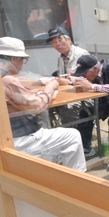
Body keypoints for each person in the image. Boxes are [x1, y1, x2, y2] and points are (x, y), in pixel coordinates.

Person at [0, 37, 86, 172]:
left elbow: (17, 99)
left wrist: (32, 93)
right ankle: (77, 179)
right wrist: (50, 88)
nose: (22, 63)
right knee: (72, 136)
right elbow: (36, 106)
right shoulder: (7, 79)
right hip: (20, 138)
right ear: (14, 58)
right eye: (23, 59)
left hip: (4, 134)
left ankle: (55, 173)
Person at [46, 26, 94, 156]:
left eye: (60, 40)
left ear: (69, 39)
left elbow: (89, 80)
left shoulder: (81, 54)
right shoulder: (61, 58)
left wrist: (67, 82)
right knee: (47, 107)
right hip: (68, 94)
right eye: (54, 42)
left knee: (66, 108)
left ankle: (80, 144)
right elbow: (63, 78)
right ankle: (63, 142)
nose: (57, 44)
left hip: (85, 95)